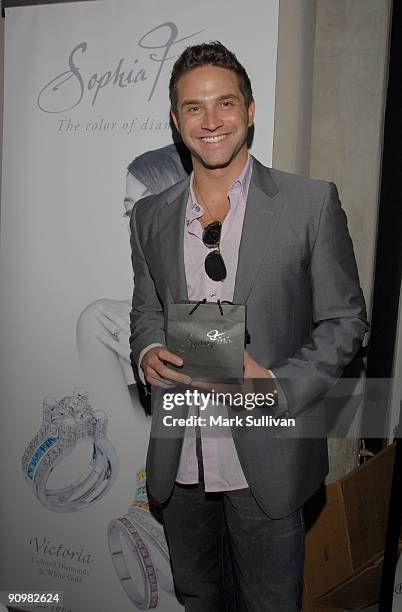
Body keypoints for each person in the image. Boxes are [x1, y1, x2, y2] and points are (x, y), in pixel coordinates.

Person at [129, 42, 369, 611]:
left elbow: (346, 321)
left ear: (251, 110)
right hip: (180, 450)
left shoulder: (309, 204)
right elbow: (146, 310)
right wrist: (147, 352)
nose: (210, 122)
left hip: (265, 453)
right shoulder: (150, 214)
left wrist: (277, 387)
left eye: (225, 103)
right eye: (193, 107)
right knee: (198, 597)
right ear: (175, 119)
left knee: (269, 602)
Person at [76, 144, 190, 419]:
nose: (139, 221)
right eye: (131, 212)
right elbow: (115, 442)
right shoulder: (104, 321)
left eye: (151, 204)